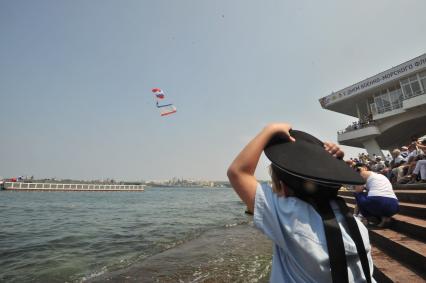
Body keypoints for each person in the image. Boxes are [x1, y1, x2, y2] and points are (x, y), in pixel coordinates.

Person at [227, 123, 374, 283]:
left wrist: (269, 129)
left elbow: (238, 172)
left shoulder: (288, 216)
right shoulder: (356, 224)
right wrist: (332, 161)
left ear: (282, 188)